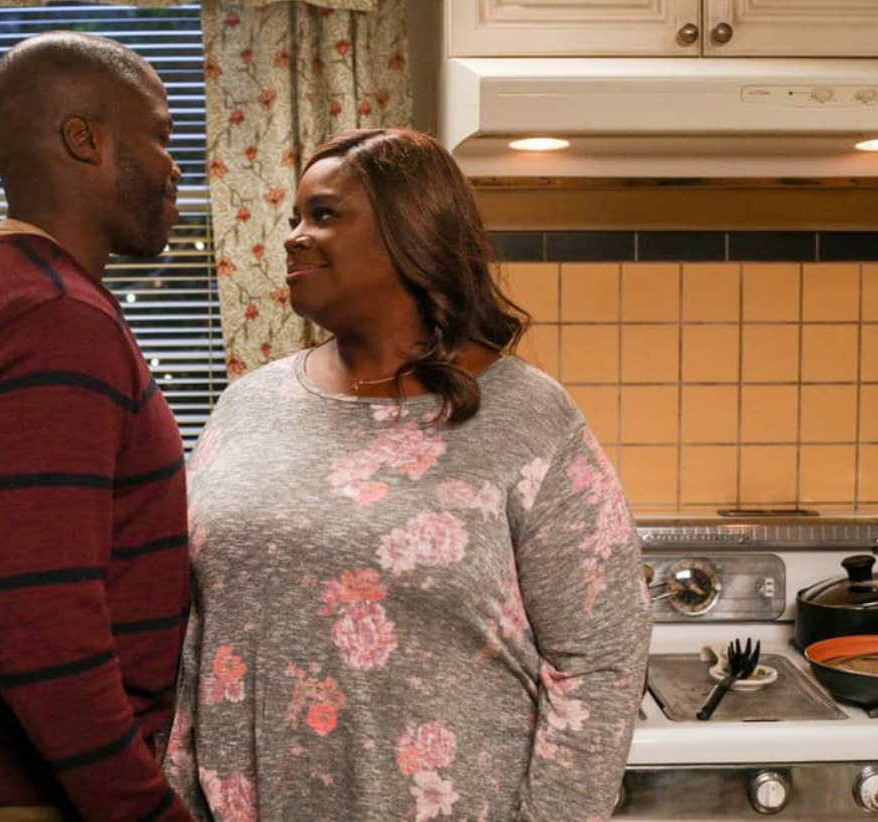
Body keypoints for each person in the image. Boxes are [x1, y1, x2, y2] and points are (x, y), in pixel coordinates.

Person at [165, 128, 651, 821]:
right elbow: (195, 629)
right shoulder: (248, 404)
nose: (294, 238)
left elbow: (601, 663)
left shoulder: (529, 415)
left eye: (325, 215)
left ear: (410, 232)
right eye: (294, 217)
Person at [0, 32, 193, 822]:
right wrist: (145, 812)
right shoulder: (56, 321)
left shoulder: (22, 287)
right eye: (160, 135)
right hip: (7, 788)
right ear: (85, 140)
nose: (174, 165)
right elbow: (42, 635)